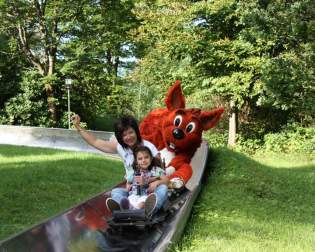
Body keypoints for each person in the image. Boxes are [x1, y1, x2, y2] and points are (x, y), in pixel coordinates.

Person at [71, 114, 168, 216]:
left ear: (136, 131)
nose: (128, 137)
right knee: (116, 192)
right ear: (120, 137)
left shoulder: (149, 148)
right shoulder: (121, 148)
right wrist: (78, 126)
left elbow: (163, 176)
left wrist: (155, 183)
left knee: (163, 189)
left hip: (150, 192)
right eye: (124, 135)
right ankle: (124, 209)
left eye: (131, 132)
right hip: (133, 191)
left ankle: (148, 209)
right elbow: (95, 142)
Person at [119, 146, 168, 215]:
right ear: (136, 161)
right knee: (116, 191)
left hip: (148, 195)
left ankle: (144, 210)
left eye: (146, 157)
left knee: (163, 188)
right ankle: (129, 209)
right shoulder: (133, 171)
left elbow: (166, 180)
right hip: (134, 194)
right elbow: (128, 182)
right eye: (140, 159)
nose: (143, 160)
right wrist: (128, 185)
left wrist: (157, 182)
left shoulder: (156, 170)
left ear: (151, 158)